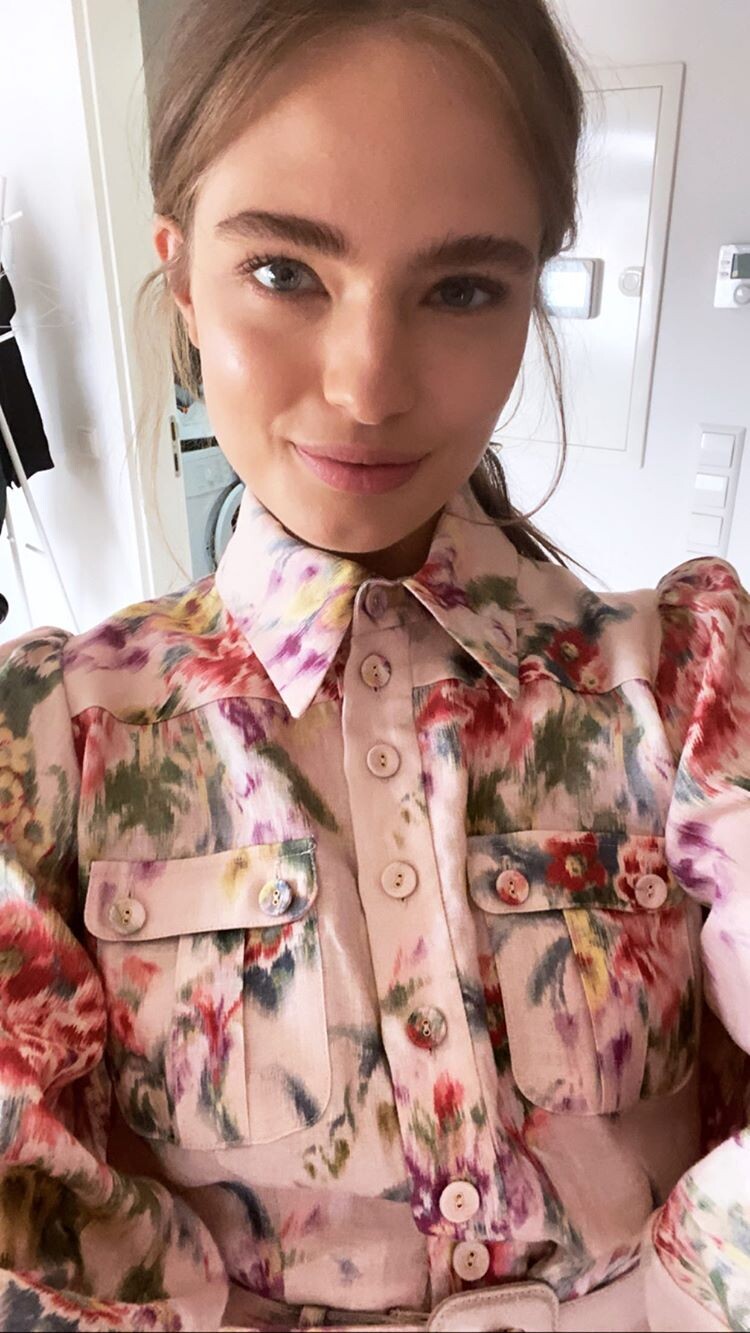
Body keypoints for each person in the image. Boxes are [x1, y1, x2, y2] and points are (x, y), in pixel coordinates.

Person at [0, 2, 748, 1330]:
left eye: (459, 288)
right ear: (182, 278)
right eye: (284, 271)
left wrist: (667, 1299)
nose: (365, 385)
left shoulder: (693, 686)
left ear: (530, 294)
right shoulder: (48, 741)